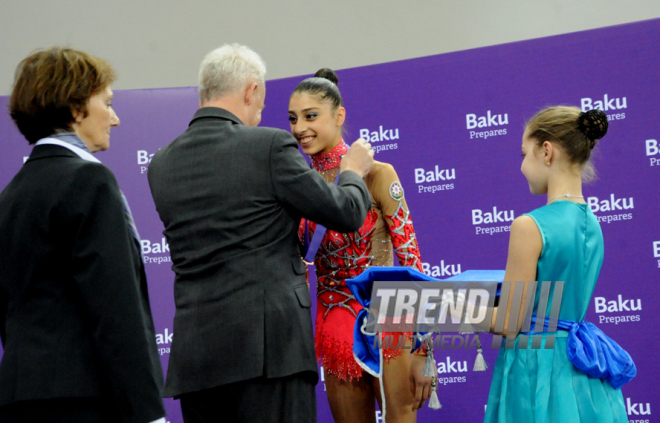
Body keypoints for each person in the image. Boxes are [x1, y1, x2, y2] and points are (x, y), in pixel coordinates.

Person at [147, 44, 375, 423]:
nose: (260, 114)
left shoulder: (161, 164)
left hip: (197, 359)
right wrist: (351, 170)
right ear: (251, 91)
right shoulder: (267, 145)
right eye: (262, 103)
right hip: (271, 356)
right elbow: (347, 211)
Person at [0, 48, 166, 422]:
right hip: (86, 400)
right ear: (75, 109)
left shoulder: (8, 198)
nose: (115, 118)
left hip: (19, 398)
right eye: (106, 103)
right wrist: (149, 413)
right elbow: (115, 310)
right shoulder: (90, 181)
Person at [288, 69, 432, 423]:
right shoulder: (296, 187)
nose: (299, 128)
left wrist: (424, 348)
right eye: (292, 118)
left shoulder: (379, 174)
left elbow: (411, 261)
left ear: (339, 116)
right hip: (334, 327)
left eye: (310, 116)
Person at [484, 106, 628, 422]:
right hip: (585, 375)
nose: (522, 166)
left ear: (546, 151)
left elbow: (509, 322)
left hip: (536, 369)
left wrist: (449, 304)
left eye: (524, 153)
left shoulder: (529, 226)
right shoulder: (594, 223)